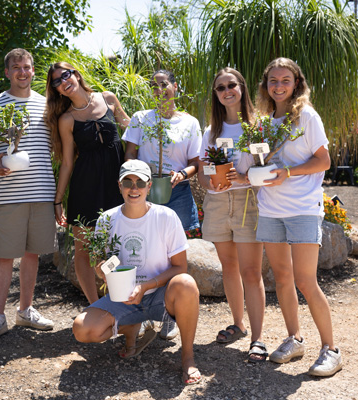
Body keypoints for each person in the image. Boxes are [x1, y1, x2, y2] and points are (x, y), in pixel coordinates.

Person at [73, 159, 201, 385]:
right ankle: (131, 327)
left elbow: (180, 266)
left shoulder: (166, 217)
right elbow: (99, 259)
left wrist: (147, 286)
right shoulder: (107, 219)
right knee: (82, 329)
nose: (134, 188)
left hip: (160, 296)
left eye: (140, 182)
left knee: (186, 283)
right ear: (119, 186)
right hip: (123, 297)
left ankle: (187, 357)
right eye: (128, 182)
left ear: (149, 186)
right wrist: (101, 269)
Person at [256, 57, 342, 376]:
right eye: (273, 81)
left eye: (285, 80)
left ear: (296, 84)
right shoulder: (264, 121)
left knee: (305, 280)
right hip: (270, 209)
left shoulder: (307, 116)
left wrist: (288, 172)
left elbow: (324, 160)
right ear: (266, 85)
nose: (278, 86)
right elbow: (262, 161)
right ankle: (295, 339)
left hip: (303, 208)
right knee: (281, 278)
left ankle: (331, 349)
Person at [0, 48, 56, 341]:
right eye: (16, 67)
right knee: (4, 255)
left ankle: (25, 310)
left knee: (32, 252)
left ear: (33, 71)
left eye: (27, 67)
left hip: (41, 190)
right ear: (7, 72)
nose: (22, 72)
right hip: (8, 192)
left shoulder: (47, 105)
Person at [123, 69, 202, 340]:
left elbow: (195, 162)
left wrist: (183, 174)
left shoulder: (190, 123)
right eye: (154, 86)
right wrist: (138, 177)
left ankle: (169, 314)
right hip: (143, 190)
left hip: (176, 192)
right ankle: (142, 312)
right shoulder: (141, 119)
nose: (159, 89)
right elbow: (130, 153)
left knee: (173, 255)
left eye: (164, 84)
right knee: (144, 248)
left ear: (175, 87)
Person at [45, 62, 130, 304]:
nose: (63, 81)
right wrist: (58, 200)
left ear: (77, 74)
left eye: (66, 75)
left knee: (119, 246)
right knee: (83, 252)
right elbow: (68, 163)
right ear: (57, 91)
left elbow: (132, 130)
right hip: (86, 188)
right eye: (57, 81)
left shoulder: (108, 99)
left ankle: (122, 302)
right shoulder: (66, 120)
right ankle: (95, 306)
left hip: (117, 187)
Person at [197, 68, 266, 362]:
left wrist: (245, 176)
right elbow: (201, 173)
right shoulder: (211, 131)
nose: (227, 90)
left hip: (248, 201)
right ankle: (238, 324)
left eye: (231, 85)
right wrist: (209, 182)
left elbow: (267, 169)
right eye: (220, 87)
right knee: (228, 266)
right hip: (217, 202)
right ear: (216, 94)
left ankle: (258, 338)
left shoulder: (257, 126)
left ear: (242, 88)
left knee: (251, 271)